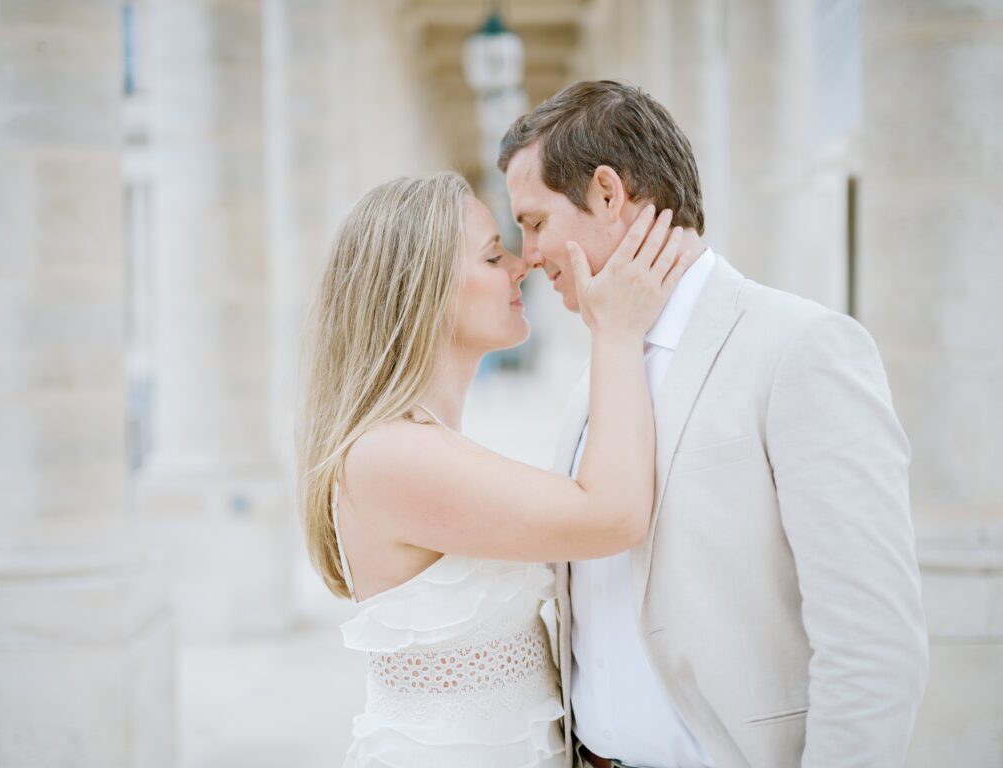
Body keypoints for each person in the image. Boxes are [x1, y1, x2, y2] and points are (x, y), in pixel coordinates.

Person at [498, 79, 929, 768]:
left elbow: (875, 646)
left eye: (536, 222)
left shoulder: (801, 349)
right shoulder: (598, 375)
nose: (529, 256)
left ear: (608, 194)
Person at [297, 171, 696, 767]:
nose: (521, 267)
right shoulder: (389, 455)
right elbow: (613, 515)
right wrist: (615, 333)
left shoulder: (420, 442)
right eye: (492, 255)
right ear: (422, 290)